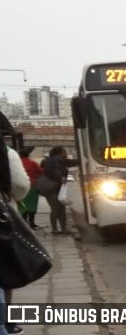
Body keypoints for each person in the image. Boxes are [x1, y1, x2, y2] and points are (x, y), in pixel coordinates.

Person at [1, 141, 30, 335]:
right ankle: (6, 323)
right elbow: (20, 185)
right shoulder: (7, 152)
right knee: (4, 273)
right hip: (2, 221)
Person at [41, 146, 78, 235]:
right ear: (59, 153)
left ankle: (63, 229)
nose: (66, 153)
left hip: (58, 188)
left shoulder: (61, 161)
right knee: (55, 209)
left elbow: (72, 162)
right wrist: (60, 177)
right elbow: (51, 172)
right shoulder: (51, 161)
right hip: (52, 189)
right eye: (64, 151)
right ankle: (55, 229)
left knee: (61, 208)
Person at [18, 146, 42, 229]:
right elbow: (40, 171)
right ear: (28, 155)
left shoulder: (18, 163)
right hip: (32, 186)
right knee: (32, 205)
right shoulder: (32, 163)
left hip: (21, 187)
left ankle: (23, 224)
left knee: (22, 205)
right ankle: (32, 223)